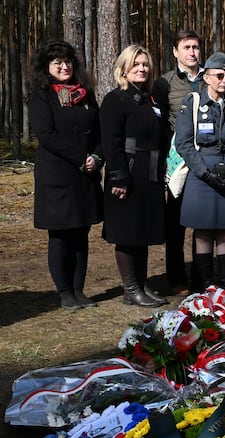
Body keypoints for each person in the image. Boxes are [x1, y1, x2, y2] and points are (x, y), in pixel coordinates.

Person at [29, 40, 104, 310]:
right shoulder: (42, 95)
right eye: (57, 62)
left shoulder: (85, 94)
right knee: (60, 235)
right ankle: (64, 293)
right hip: (57, 176)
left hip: (85, 175)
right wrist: (79, 159)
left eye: (68, 60)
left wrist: (96, 157)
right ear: (47, 67)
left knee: (81, 233)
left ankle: (78, 290)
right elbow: (46, 135)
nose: (64, 66)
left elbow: (99, 132)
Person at [100, 44, 169, 307]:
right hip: (127, 172)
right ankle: (130, 289)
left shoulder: (150, 99)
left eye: (145, 64)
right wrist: (118, 177)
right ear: (124, 69)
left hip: (149, 172)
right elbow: (111, 141)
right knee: (127, 233)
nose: (141, 68)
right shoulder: (115, 99)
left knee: (143, 231)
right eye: (136, 64)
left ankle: (141, 284)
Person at [175, 52, 225, 290]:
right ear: (206, 77)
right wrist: (205, 173)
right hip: (201, 177)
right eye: (219, 76)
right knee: (203, 232)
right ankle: (205, 287)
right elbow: (183, 143)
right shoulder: (192, 103)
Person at [153, 30, 206, 296]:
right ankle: (176, 279)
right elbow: (159, 125)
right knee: (175, 224)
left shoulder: (212, 77)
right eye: (186, 47)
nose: (192, 52)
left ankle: (202, 278)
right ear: (175, 52)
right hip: (179, 164)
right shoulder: (165, 83)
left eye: (195, 47)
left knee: (205, 223)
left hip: (207, 163)